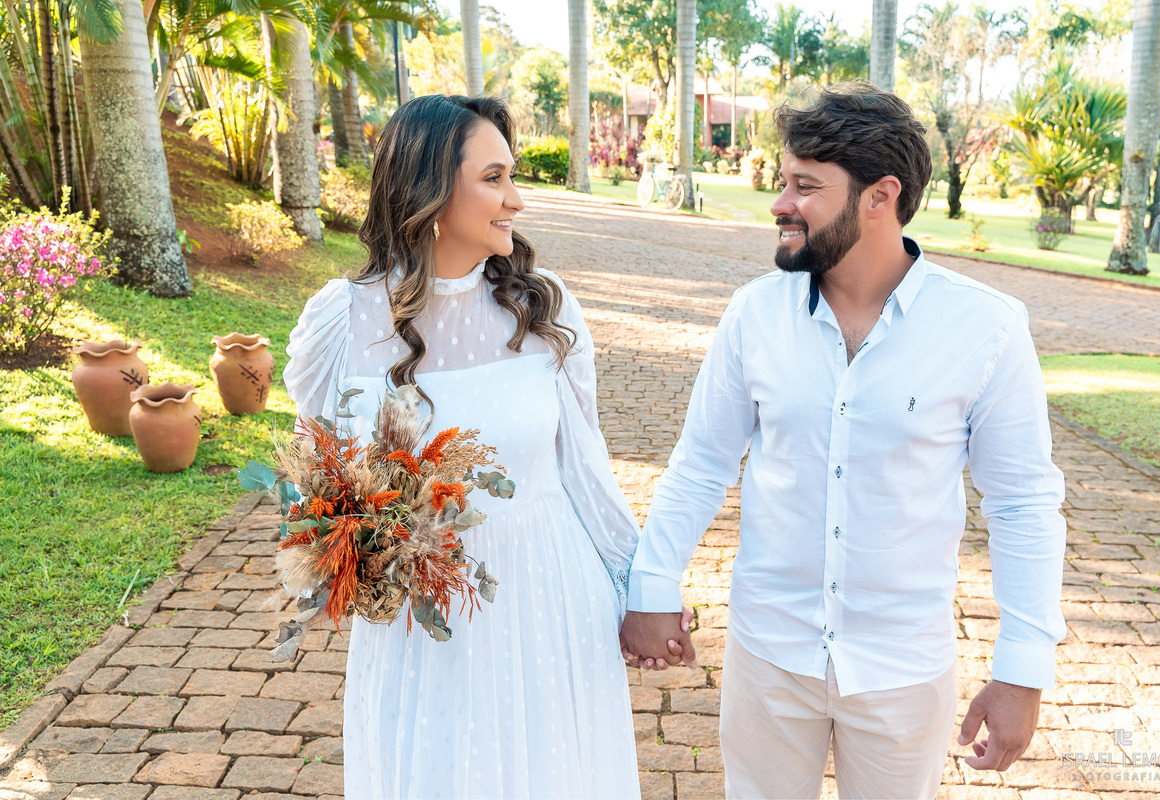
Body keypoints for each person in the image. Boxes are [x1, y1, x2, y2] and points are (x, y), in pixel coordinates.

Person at [618, 82, 1067, 799]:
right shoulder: (754, 315)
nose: (779, 203)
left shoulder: (986, 328)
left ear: (878, 197)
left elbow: (1021, 503)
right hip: (769, 652)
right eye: (782, 181)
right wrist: (650, 586)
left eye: (804, 186)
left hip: (902, 668)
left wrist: (1022, 668)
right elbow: (702, 461)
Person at [283, 94, 641, 799]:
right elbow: (315, 479)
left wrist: (640, 586)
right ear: (428, 191)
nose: (516, 200)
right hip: (420, 621)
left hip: (548, 595)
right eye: (495, 178)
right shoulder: (342, 320)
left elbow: (586, 469)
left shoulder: (544, 308)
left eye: (512, 177)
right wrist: (354, 543)